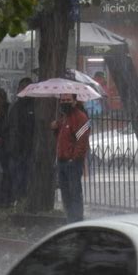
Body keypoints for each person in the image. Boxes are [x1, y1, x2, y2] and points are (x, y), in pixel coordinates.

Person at [51, 93, 90, 223]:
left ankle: (76, 221)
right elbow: (63, 139)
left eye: (68, 100)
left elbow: (81, 142)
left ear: (74, 101)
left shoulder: (80, 118)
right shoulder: (64, 118)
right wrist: (56, 129)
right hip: (62, 161)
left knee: (74, 194)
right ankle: (69, 219)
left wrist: (74, 158)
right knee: (66, 194)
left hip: (72, 162)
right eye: (62, 100)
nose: (64, 102)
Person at [8, 77, 34, 203]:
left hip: (28, 150)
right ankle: (17, 201)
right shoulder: (14, 107)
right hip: (15, 150)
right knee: (16, 179)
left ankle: (24, 201)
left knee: (25, 179)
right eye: (22, 87)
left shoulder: (34, 107)